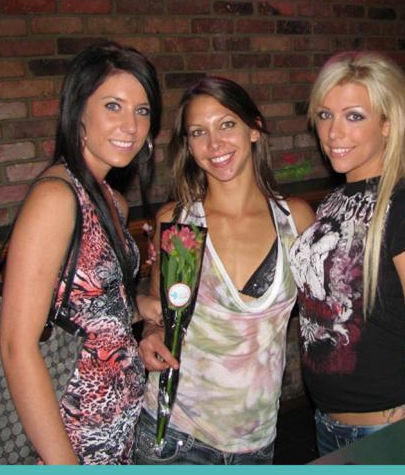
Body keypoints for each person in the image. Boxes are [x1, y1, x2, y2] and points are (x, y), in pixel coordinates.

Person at [134, 76, 314, 465]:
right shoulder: (179, 221)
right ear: (189, 145)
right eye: (198, 132)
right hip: (173, 433)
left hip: (256, 441)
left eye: (227, 124)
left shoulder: (295, 220)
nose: (214, 144)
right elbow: (160, 310)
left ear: (255, 129)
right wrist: (151, 332)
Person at [0, 42, 163, 464]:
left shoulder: (111, 200)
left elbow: (84, 307)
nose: (131, 125)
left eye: (142, 111)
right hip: (68, 438)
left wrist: (138, 307)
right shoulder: (56, 198)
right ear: (79, 112)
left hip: (115, 433)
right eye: (113, 106)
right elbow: (17, 346)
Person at [289, 51, 405, 456]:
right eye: (325, 115)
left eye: (354, 116)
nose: (334, 132)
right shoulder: (335, 199)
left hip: (386, 430)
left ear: (387, 123)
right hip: (326, 423)